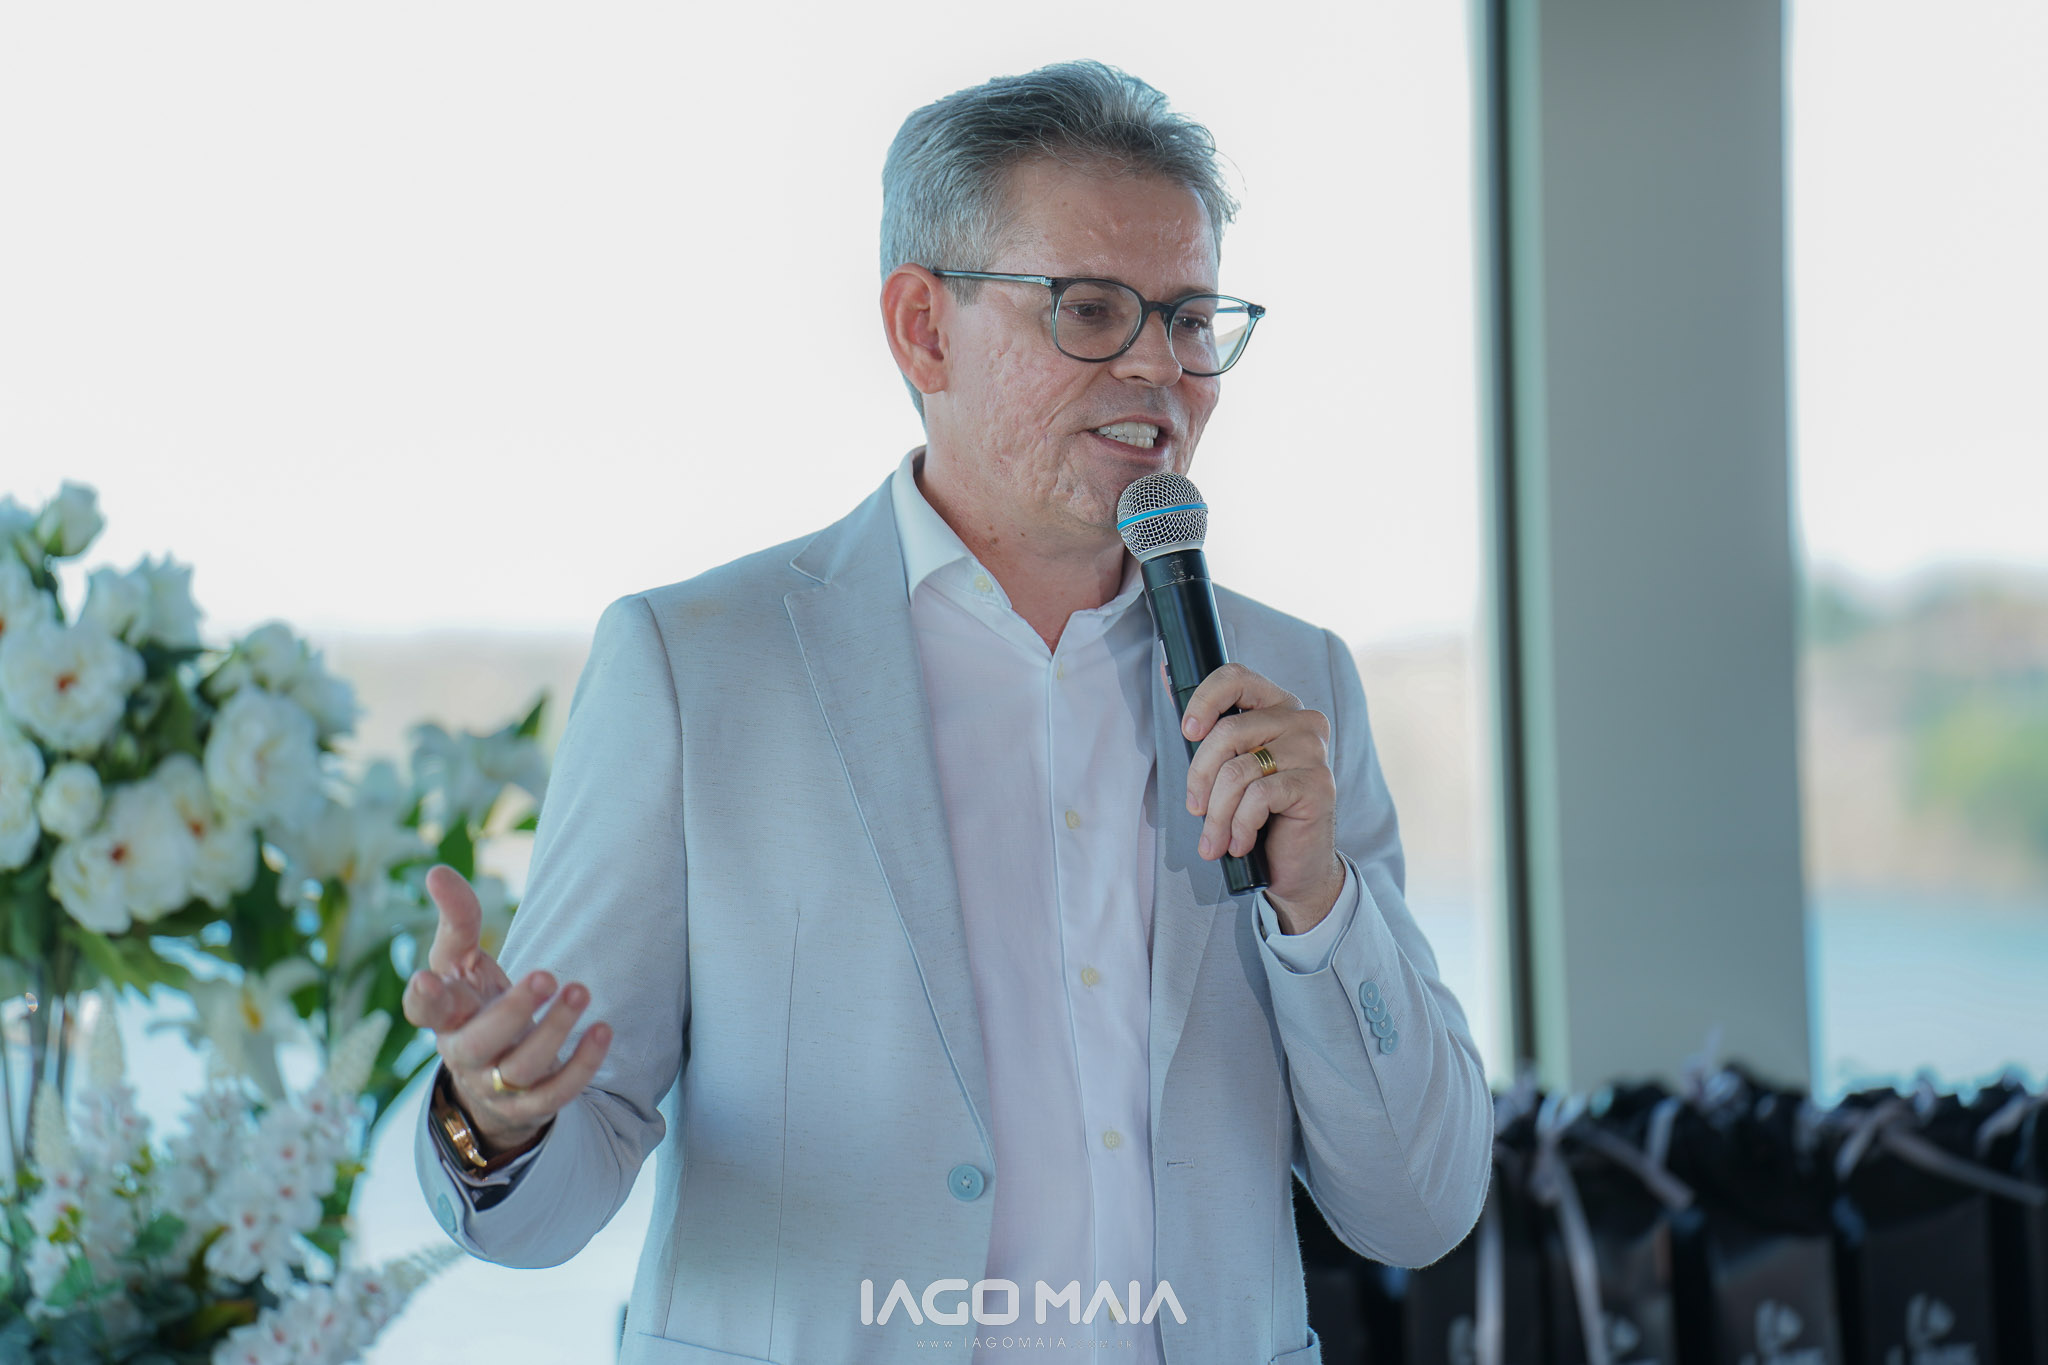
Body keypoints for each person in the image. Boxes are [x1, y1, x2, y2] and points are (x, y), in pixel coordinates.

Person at [407, 59, 1491, 1365]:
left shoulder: (1290, 684)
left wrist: (1322, 909)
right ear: (924, 327)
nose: (1163, 366)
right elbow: (555, 1193)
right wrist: (493, 1115)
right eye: (1092, 309)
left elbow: (1418, 1206)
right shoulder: (696, 668)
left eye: (1193, 318)